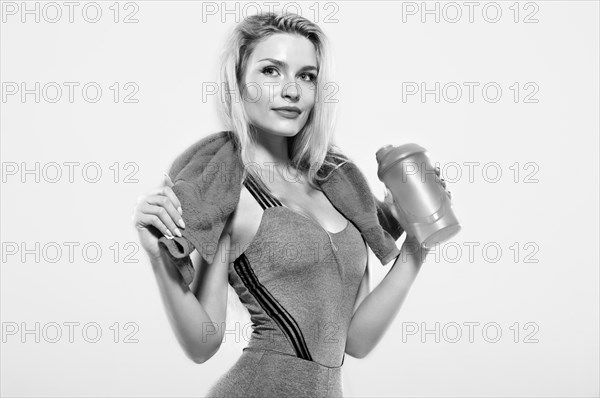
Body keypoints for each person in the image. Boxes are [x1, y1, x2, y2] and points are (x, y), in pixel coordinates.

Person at [132, 12, 449, 397]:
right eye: (270, 71)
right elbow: (203, 344)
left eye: (306, 75)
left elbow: (356, 341)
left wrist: (418, 244)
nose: (291, 90)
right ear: (238, 82)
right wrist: (158, 258)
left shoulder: (338, 186)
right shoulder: (227, 190)